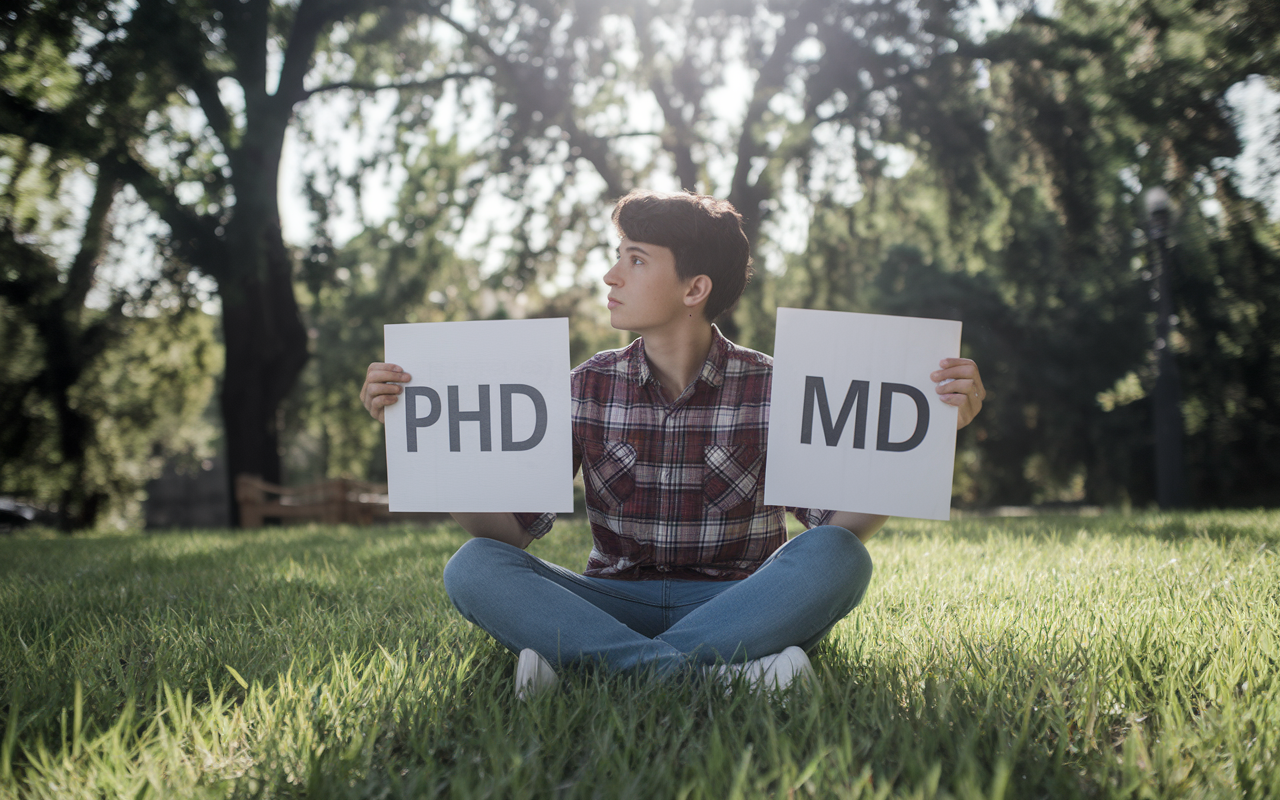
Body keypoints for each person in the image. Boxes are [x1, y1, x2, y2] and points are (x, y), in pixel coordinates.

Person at [360, 190, 985, 699]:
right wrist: (433, 456)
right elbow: (510, 536)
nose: (611, 275)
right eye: (617, 256)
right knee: (473, 565)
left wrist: (925, 436)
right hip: (612, 600)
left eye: (635, 259)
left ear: (695, 289)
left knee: (841, 556)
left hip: (742, 602)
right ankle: (725, 679)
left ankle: (589, 671)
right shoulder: (586, 386)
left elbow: (834, 530)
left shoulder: (775, 386)